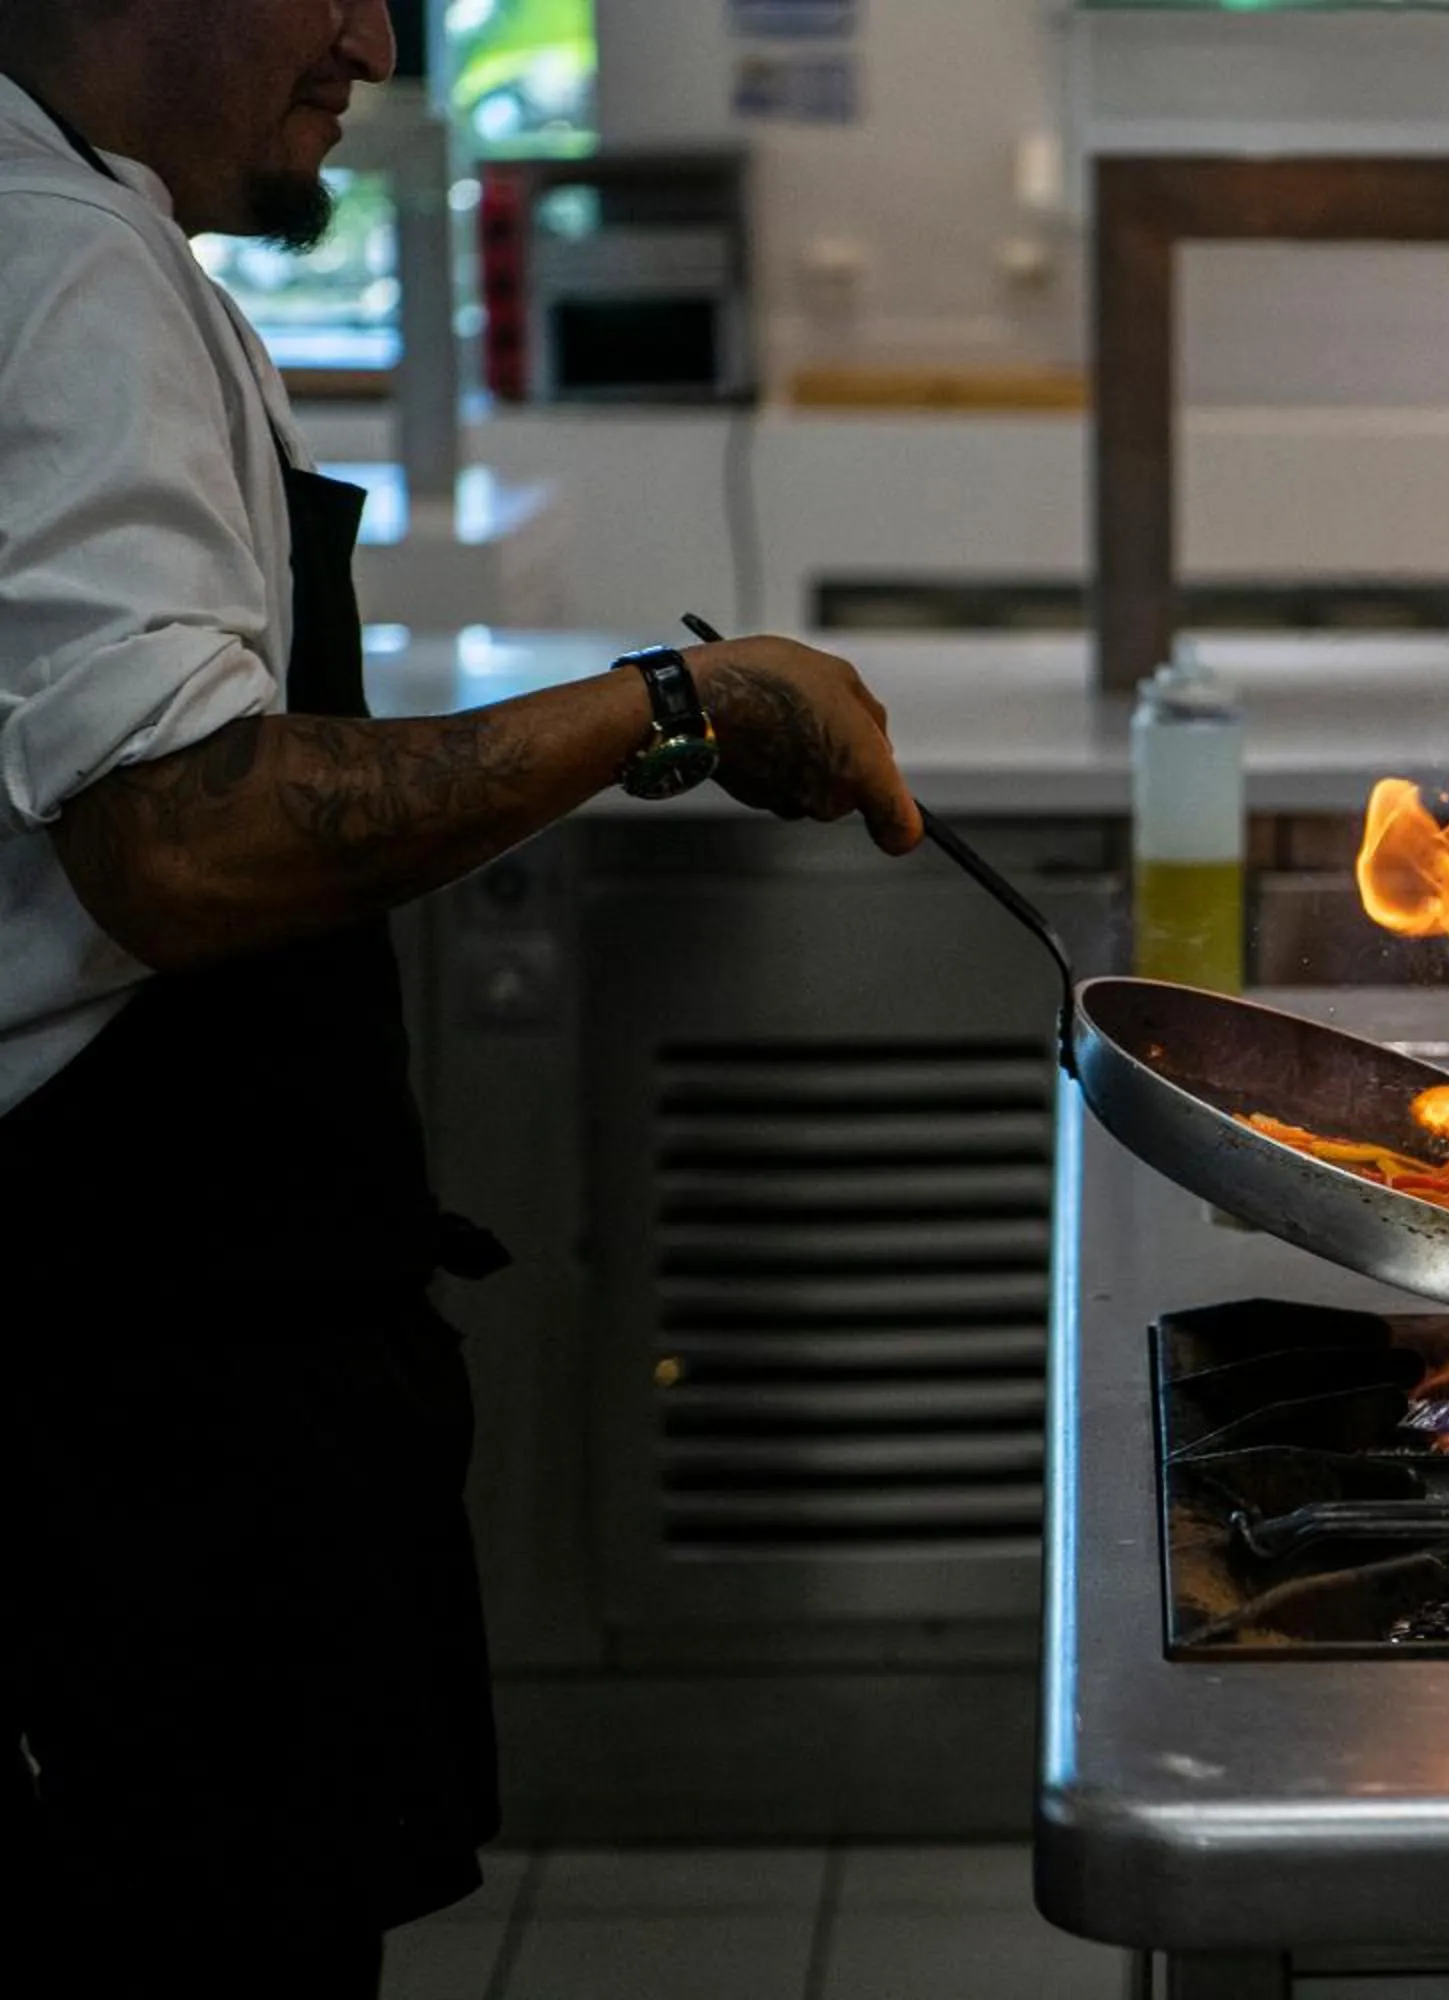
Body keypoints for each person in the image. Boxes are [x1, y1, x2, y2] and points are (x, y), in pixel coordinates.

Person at [0, 4, 924, 1990]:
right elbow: (180, 832)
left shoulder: (98, 236)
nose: (375, 42)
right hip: (122, 1372)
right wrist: (678, 702)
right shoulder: (62, 264)